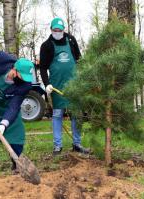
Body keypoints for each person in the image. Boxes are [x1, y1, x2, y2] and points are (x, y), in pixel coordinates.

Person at [40, 17, 89, 155]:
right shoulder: (46, 45)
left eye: (59, 30)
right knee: (57, 114)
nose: (57, 32)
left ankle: (77, 144)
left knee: (77, 114)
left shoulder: (71, 40)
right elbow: (43, 68)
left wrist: (84, 78)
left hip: (74, 84)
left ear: (63, 30)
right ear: (51, 29)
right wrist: (47, 84)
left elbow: (79, 60)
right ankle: (57, 145)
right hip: (56, 85)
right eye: (55, 30)